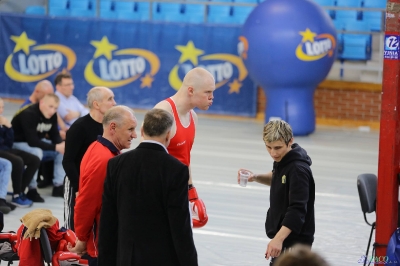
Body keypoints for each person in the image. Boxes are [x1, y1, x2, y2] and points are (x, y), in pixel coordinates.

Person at [97, 108, 197, 266]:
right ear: (169, 134)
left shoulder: (116, 164)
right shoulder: (176, 170)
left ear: (142, 130)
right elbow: (180, 227)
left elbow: (108, 221)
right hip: (161, 259)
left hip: (125, 257)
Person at [237, 120, 315, 266]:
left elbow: (297, 210)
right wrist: (255, 177)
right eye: (269, 147)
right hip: (285, 239)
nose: (273, 153)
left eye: (278, 148)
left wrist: (278, 239)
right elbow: (278, 178)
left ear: (290, 141)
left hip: (295, 242)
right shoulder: (285, 158)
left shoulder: (298, 170)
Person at [68, 106, 137, 266]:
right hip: (100, 245)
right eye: (130, 129)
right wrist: (82, 239)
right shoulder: (105, 160)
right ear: (113, 127)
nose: (134, 135)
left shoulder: (98, 148)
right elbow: (87, 203)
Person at [153, 67, 215, 228]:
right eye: (207, 92)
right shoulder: (163, 113)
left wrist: (191, 190)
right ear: (191, 90)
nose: (211, 97)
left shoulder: (193, 117)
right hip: (157, 193)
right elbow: (145, 159)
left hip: (177, 191)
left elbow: (184, 158)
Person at [63, 86, 116, 231]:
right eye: (110, 99)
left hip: (99, 182)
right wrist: (79, 186)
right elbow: (68, 161)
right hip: (78, 181)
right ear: (96, 104)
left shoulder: (110, 127)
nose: (114, 103)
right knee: (73, 226)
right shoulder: (79, 127)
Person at [11, 93, 66, 201]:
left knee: (63, 150)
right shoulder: (29, 113)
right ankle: (32, 189)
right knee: (37, 152)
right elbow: (32, 142)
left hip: (35, 142)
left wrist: (61, 146)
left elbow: (55, 136)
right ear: (41, 103)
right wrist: (56, 147)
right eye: (50, 106)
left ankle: (58, 186)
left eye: (55, 108)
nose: (53, 110)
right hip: (17, 143)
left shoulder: (52, 115)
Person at [0, 97, 40, 208]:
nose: (1, 110)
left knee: (34, 159)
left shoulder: (3, 121)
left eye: (2, 107)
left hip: (5, 148)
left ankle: (20, 191)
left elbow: (9, 142)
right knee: (17, 161)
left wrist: (8, 128)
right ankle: (16, 195)